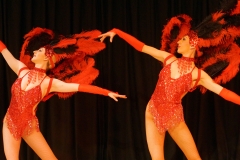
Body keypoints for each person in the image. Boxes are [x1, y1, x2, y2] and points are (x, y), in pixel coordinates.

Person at [98, 1, 240, 159]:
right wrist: (117, 31)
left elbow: (224, 93)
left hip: (173, 118)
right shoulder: (168, 59)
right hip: (151, 111)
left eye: (183, 40)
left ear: (193, 44)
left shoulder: (199, 75)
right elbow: (142, 47)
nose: (178, 41)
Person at [0, 27, 126, 160]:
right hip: (9, 122)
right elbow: (4, 51)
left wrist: (107, 93)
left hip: (28, 126)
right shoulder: (21, 69)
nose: (35, 51)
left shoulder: (49, 83)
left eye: (40, 50)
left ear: (47, 58)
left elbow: (80, 87)